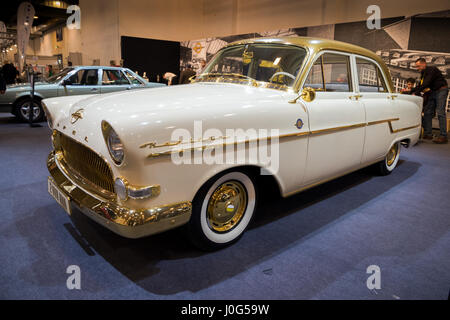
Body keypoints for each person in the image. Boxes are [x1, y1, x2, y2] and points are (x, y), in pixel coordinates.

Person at [413, 58, 448, 144]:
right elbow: (420, 85)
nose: (417, 68)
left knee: (440, 112)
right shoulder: (423, 73)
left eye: (418, 66)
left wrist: (415, 92)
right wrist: (411, 91)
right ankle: (428, 133)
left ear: (424, 64)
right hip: (433, 91)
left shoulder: (432, 69)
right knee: (428, 112)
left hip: (441, 90)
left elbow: (426, 83)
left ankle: (443, 136)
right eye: (416, 67)